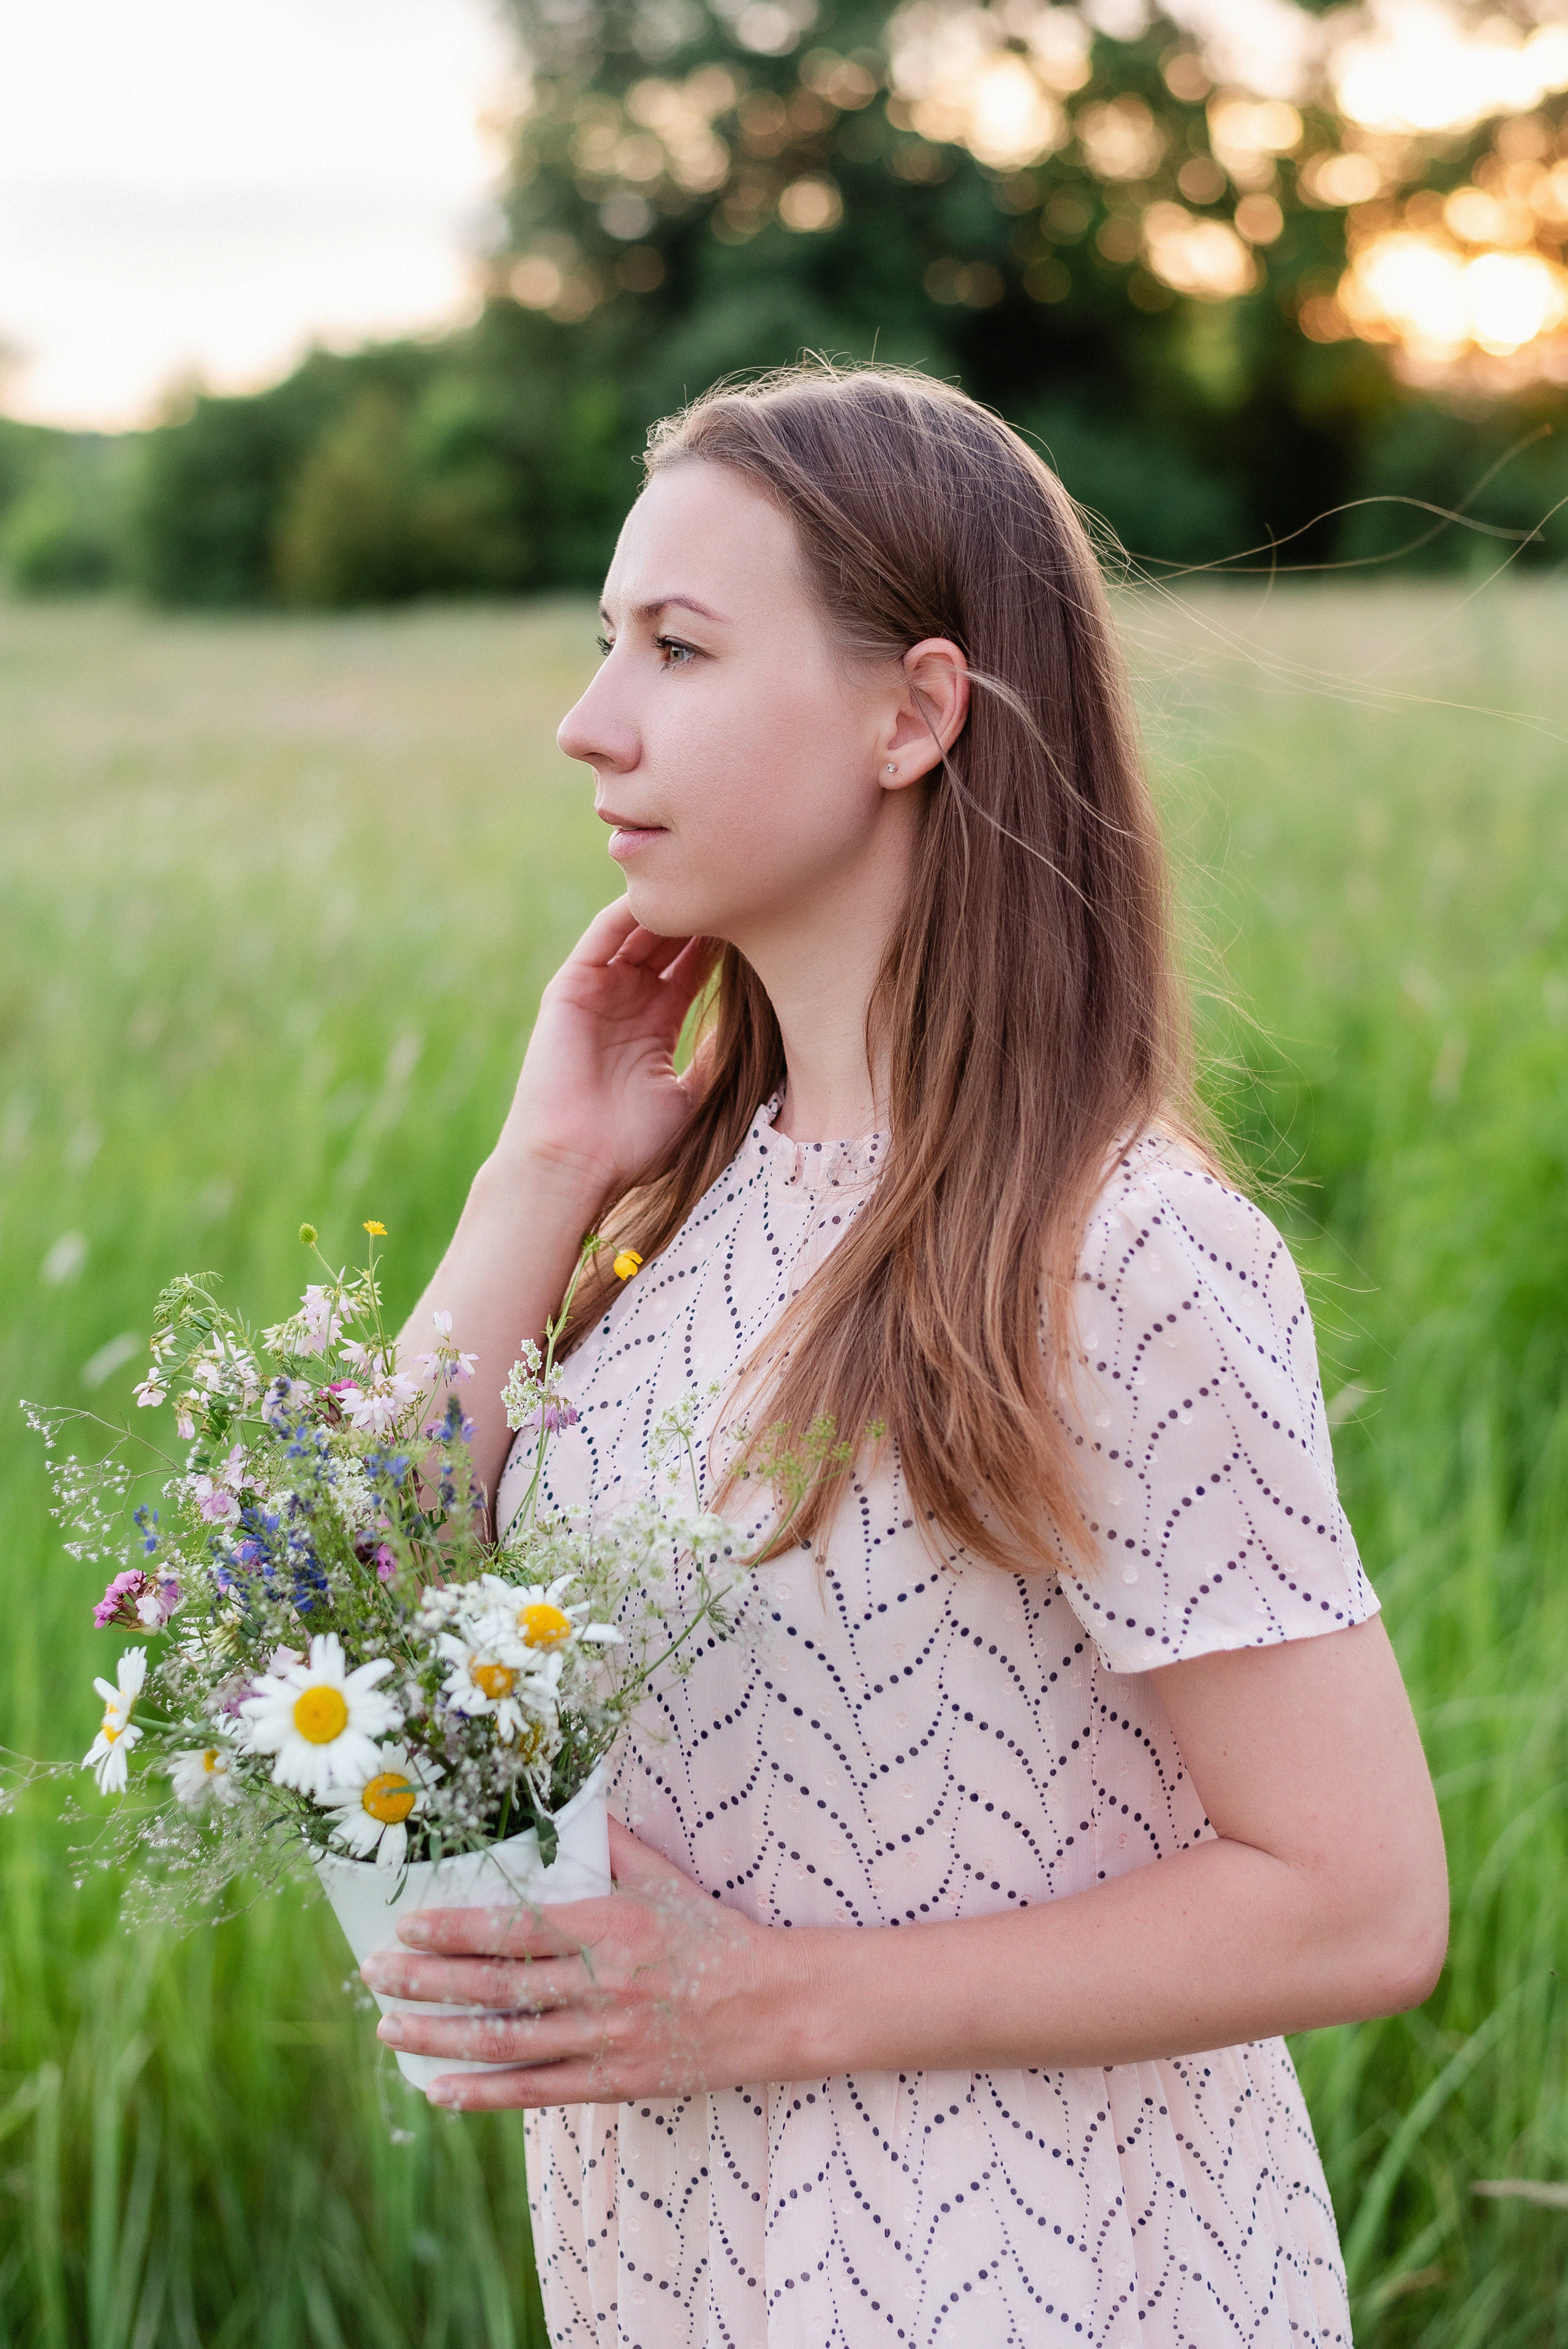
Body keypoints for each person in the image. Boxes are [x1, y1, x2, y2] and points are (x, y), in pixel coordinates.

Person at [360, 364, 1449, 2347]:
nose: (588, 721)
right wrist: (538, 1174)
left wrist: (765, 1999)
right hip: (681, 2258)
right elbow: (350, 1625)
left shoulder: (1119, 1249)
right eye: (606, 643)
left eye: (678, 647)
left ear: (915, 710)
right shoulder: (672, 1208)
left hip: (1027, 2267)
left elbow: (1362, 1896)